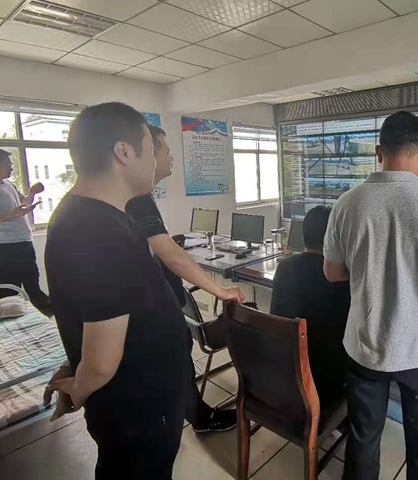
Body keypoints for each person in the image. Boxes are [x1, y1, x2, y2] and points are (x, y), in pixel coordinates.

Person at [323, 111, 418, 480]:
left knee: (363, 440)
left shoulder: (346, 204)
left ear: (379, 152)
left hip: (366, 346)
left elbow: (332, 273)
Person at [44, 103, 190, 479]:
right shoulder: (95, 230)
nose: (156, 160)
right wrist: (78, 386)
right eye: (151, 148)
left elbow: (100, 311)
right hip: (138, 404)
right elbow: (102, 363)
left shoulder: (98, 216)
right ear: (124, 152)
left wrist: (78, 364)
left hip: (141, 396)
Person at [126, 124, 244, 432]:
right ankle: (197, 418)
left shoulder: (138, 197)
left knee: (177, 362)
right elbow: (170, 254)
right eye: (164, 150)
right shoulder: (137, 197)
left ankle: (193, 414)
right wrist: (220, 290)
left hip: (164, 302)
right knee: (176, 361)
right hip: (156, 308)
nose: (171, 158)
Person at [270, 205, 350, 406]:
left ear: (303, 235)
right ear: (334, 238)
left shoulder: (283, 267)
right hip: (327, 379)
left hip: (285, 371)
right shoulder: (341, 277)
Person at [0, 148, 51, 316]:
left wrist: (32, 192)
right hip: (5, 245)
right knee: (11, 289)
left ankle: (43, 318)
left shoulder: (8, 184)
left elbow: (23, 202)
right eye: (7, 164)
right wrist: (12, 214)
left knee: (32, 282)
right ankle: (12, 323)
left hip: (23, 241)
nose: (11, 167)